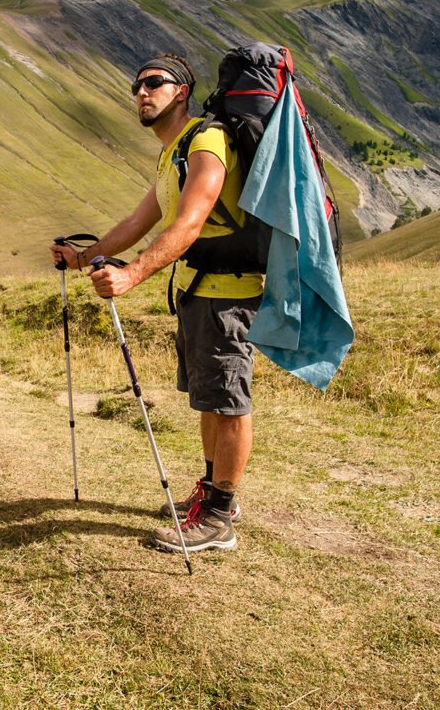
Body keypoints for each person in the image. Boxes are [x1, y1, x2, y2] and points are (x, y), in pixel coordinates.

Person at [48, 53, 262, 553]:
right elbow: (138, 222)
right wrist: (83, 259)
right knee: (210, 399)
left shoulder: (207, 142)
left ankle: (220, 516)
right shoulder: (174, 153)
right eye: (136, 86)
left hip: (227, 293)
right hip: (197, 291)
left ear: (182, 91)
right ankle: (210, 495)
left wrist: (133, 275)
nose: (141, 93)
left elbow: (188, 222)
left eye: (154, 83)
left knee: (229, 403)